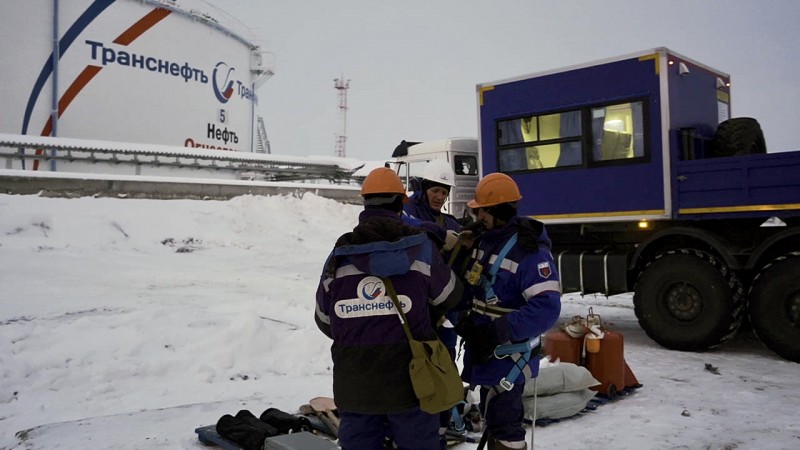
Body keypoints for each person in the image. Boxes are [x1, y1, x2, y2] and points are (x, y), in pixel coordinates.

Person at [315, 167, 464, 450]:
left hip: (355, 384)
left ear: (364, 203)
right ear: (401, 203)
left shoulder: (339, 255)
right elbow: (449, 295)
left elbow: (324, 319)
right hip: (413, 383)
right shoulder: (420, 249)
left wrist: (360, 324)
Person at [454, 172, 561, 450]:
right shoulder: (486, 242)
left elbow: (546, 309)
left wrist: (495, 332)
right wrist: (466, 319)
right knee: (494, 417)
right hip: (487, 352)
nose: (479, 218)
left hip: (509, 356)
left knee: (506, 426)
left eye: (483, 212)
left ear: (498, 211)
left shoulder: (530, 252)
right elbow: (474, 285)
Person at [401, 159, 466, 448]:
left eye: (444, 192)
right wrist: (437, 233)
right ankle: (412, 430)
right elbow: (403, 223)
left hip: (443, 311)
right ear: (424, 188)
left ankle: (439, 431)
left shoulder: (450, 222)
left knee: (443, 369)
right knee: (414, 371)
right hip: (415, 310)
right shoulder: (409, 211)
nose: (440, 197)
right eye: (435, 191)